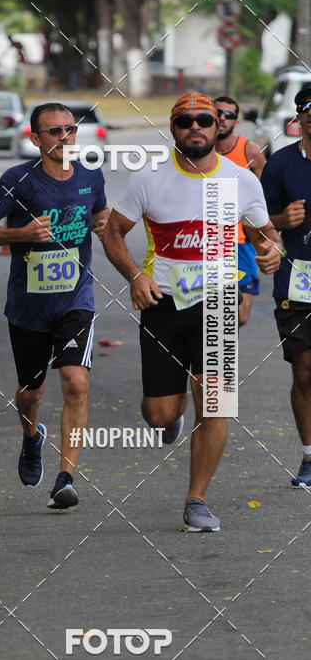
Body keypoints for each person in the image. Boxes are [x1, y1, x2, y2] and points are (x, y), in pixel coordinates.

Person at [103, 91, 282, 532]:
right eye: (187, 122)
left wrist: (271, 250)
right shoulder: (148, 178)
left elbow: (265, 233)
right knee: (160, 414)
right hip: (162, 302)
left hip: (219, 302)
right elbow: (112, 233)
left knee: (216, 403)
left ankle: (196, 499)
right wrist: (134, 277)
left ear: (218, 126)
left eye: (205, 120)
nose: (197, 128)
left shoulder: (241, 180)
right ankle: (173, 415)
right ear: (174, 128)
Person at [0, 102, 109, 509]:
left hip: (75, 301)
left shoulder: (90, 175)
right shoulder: (19, 180)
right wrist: (23, 233)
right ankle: (32, 438)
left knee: (76, 382)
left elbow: (100, 213)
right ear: (35, 138)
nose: (64, 138)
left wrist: (102, 224)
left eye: (70, 129)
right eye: (54, 132)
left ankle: (66, 477)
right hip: (29, 307)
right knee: (31, 394)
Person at [261, 85, 311, 487]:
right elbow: (254, 221)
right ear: (299, 117)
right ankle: (310, 457)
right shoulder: (279, 165)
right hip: (297, 282)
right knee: (305, 371)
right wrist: (281, 221)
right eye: (309, 108)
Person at [214, 95, 266, 326]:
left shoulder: (250, 152)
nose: (222, 118)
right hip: (208, 241)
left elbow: (263, 199)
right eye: (217, 113)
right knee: (212, 313)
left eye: (229, 115)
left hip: (241, 241)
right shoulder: (196, 151)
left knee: (239, 316)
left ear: (236, 121)